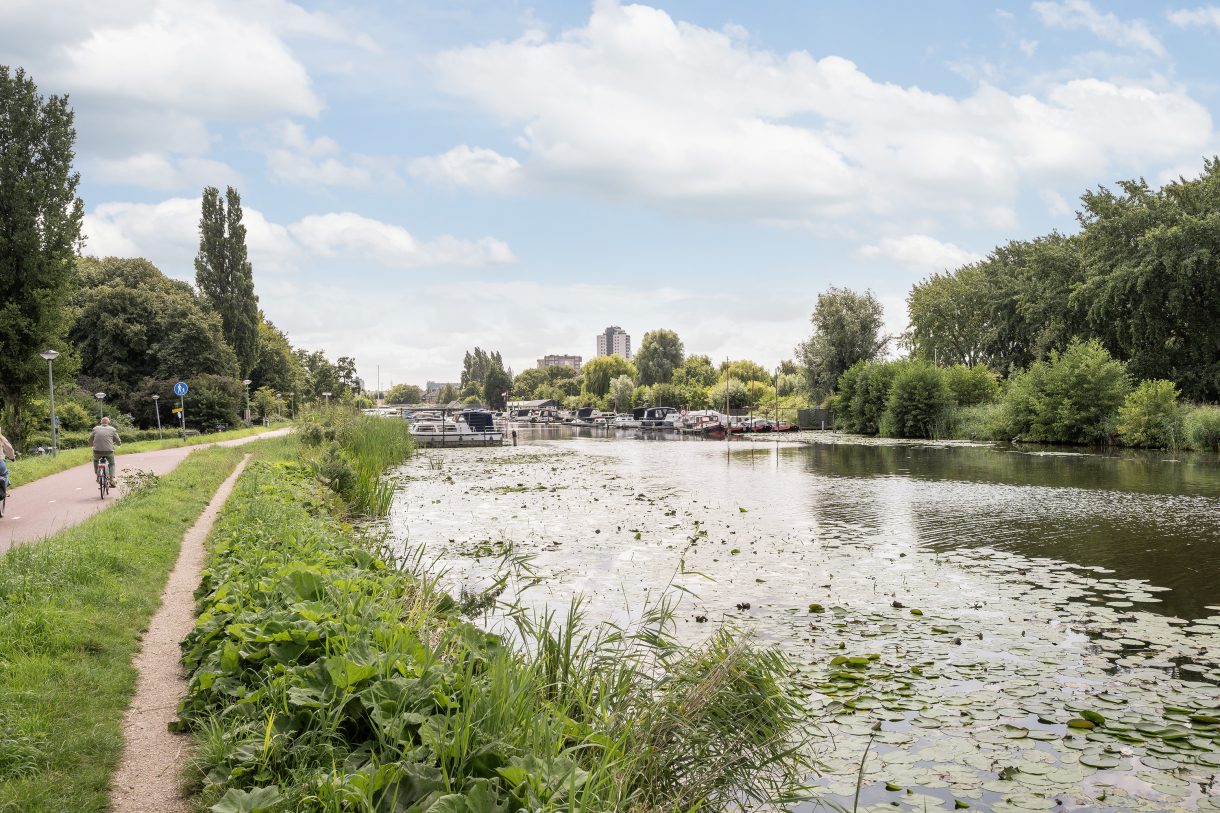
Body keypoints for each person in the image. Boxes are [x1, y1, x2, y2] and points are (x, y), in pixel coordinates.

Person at [89, 416, 121, 487]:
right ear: (109, 422)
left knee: (96, 461)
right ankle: (112, 479)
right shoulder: (112, 429)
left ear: (101, 422)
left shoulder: (95, 429)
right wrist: (119, 444)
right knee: (112, 464)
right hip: (109, 451)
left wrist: (92, 445)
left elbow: (90, 438)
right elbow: (118, 440)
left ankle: (98, 475)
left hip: (97, 451)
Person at [0, 426, 15, 491]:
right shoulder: (1, 438)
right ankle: (3, 490)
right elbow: (9, 449)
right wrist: (12, 458)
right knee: (5, 475)